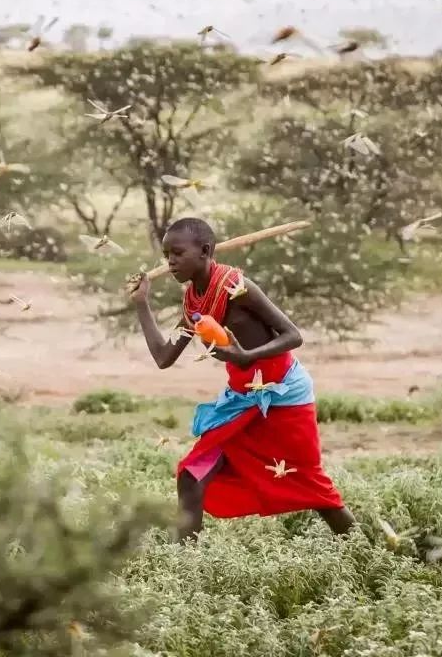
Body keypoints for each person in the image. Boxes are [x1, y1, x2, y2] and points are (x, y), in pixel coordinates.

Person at [128, 217, 355, 542]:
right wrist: (141, 304)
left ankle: (362, 549)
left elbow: (293, 336)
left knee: (310, 484)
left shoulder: (237, 288)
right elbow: (165, 357)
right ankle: (182, 572)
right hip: (242, 400)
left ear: (205, 250)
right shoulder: (194, 302)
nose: (171, 261)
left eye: (177, 253)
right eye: (167, 255)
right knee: (192, 476)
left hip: (285, 396)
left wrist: (248, 357)